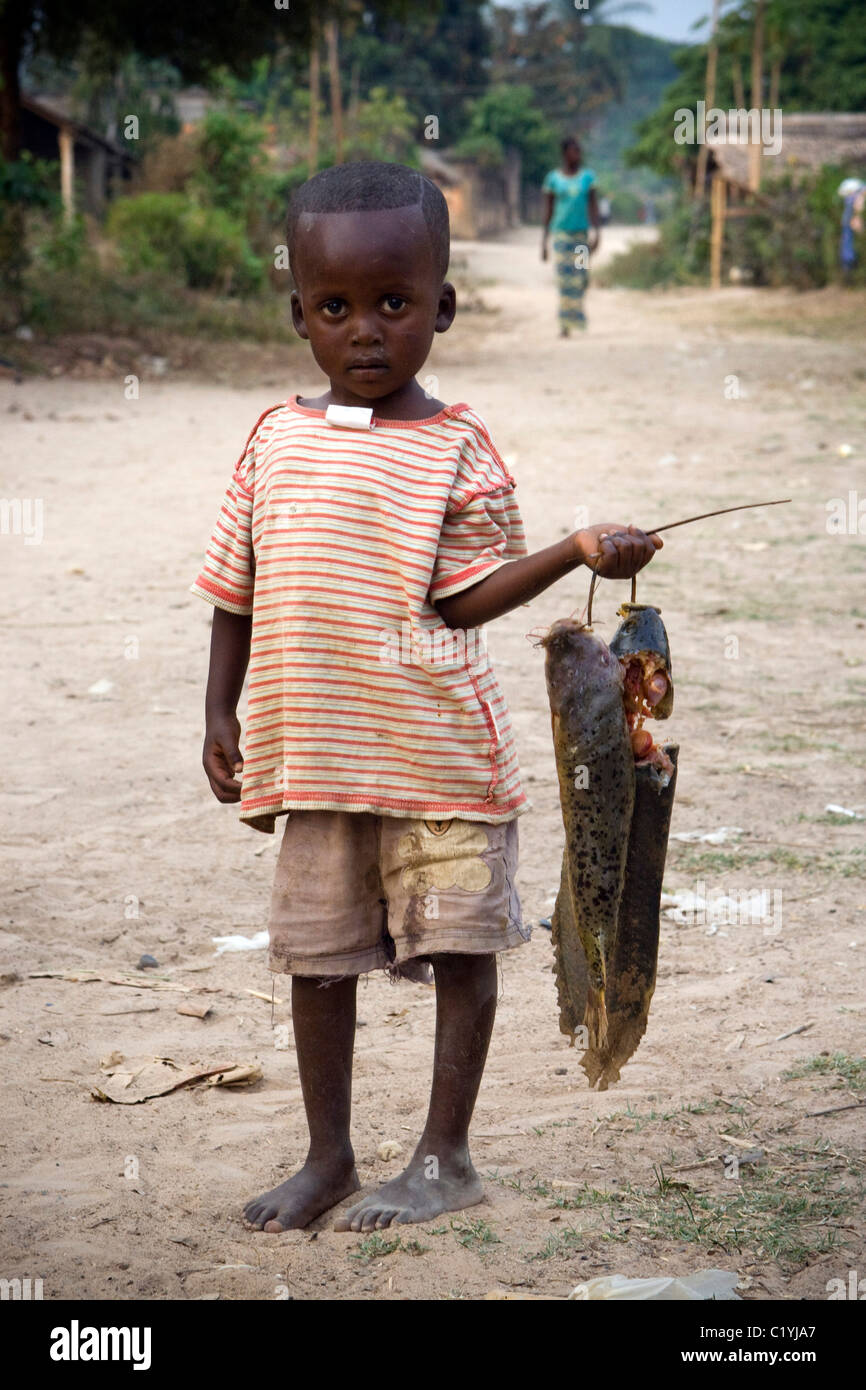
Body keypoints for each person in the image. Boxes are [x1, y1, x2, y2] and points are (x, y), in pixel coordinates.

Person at [192, 160, 661, 1234]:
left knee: (456, 946)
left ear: (440, 306)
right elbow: (233, 590)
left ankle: (444, 1157)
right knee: (318, 961)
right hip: (314, 759)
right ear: (298, 312)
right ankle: (328, 1157)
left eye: (394, 304)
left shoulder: (458, 446)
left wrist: (573, 549)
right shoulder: (273, 440)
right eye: (336, 307)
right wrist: (217, 713)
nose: (365, 331)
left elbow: (463, 601)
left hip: (438, 756)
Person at [541, 137, 601, 335]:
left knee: (581, 278)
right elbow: (548, 209)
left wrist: (597, 233)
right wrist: (544, 241)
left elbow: (593, 206)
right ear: (565, 153)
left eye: (579, 151)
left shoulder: (587, 178)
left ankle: (578, 316)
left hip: (581, 236)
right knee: (565, 280)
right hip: (561, 237)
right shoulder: (553, 179)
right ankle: (565, 324)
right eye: (574, 151)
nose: (578, 155)